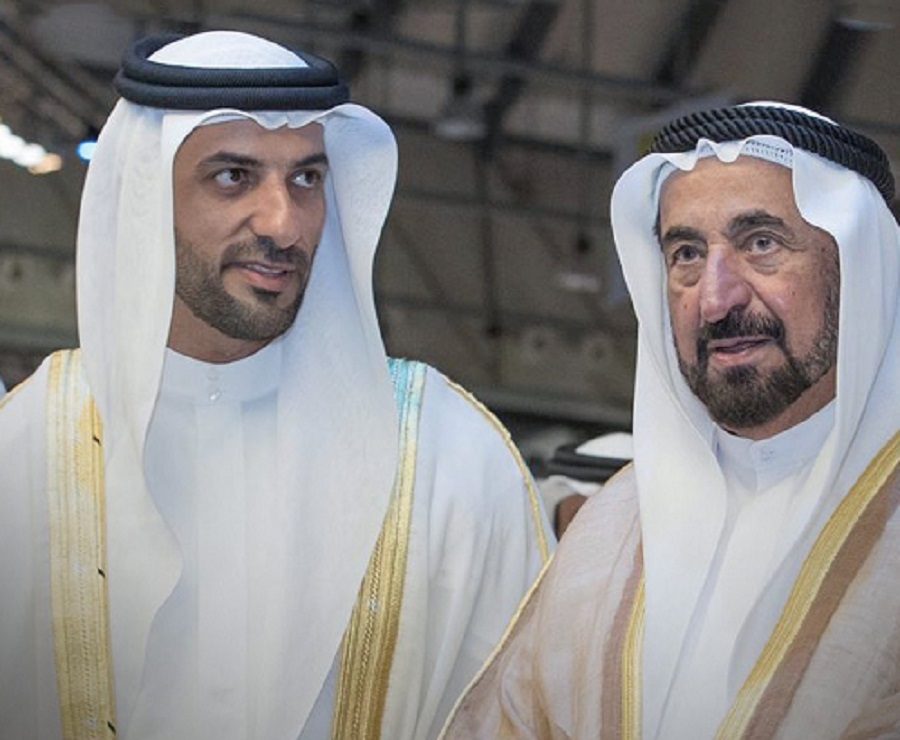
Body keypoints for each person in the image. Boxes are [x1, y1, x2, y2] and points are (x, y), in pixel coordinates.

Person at [0, 31, 553, 739]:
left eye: (306, 179)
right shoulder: (29, 449)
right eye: (233, 176)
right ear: (145, 195)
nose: (283, 223)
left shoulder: (451, 459)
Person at [441, 102, 899, 739]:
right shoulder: (614, 522)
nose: (715, 298)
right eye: (686, 253)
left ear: (859, 267)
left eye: (761, 244)